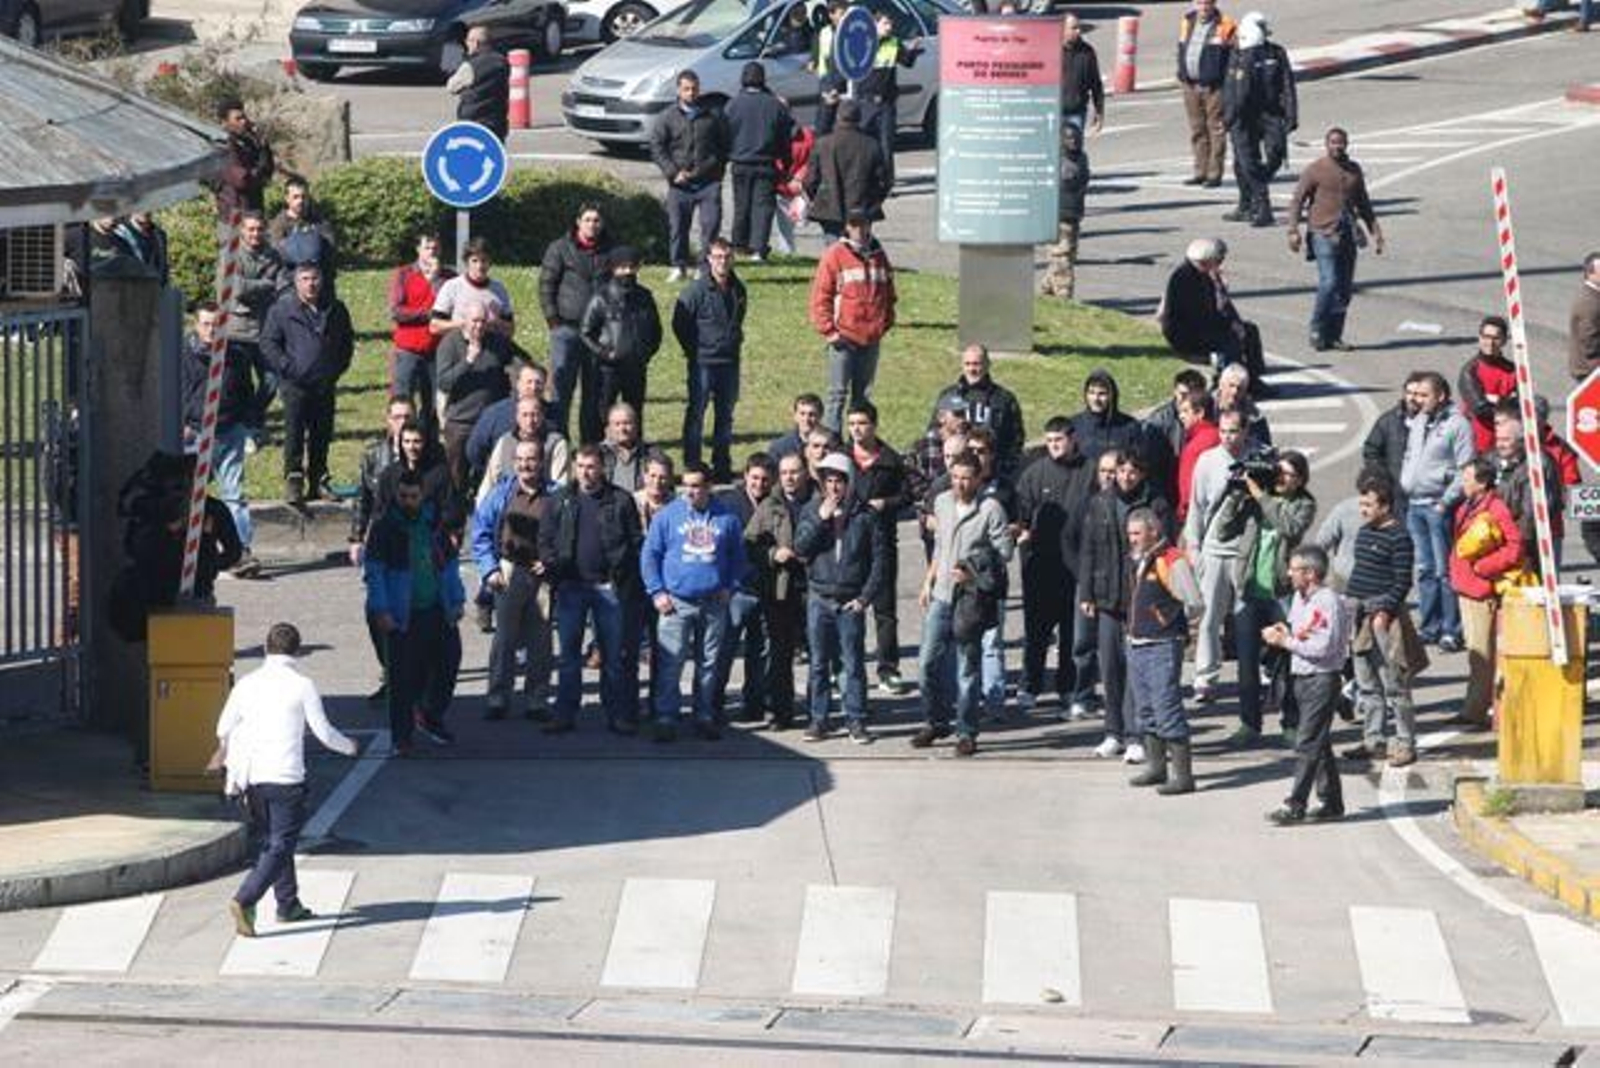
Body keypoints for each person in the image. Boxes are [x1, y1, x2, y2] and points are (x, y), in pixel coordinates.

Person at [217, 622, 358, 938]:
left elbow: (223, 726)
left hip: (253, 776)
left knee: (273, 842)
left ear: (266, 648)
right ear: (297, 651)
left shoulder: (247, 684)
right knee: (281, 843)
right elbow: (323, 732)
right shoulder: (302, 685)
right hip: (285, 776)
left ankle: (288, 903)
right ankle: (245, 899)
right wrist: (349, 746)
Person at [1207, 449, 1316, 744]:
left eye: (1290, 474)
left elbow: (1288, 527)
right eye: (1279, 472)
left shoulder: (1303, 504)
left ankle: (1291, 724)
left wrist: (1260, 496)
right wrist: (1235, 496)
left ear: (1301, 479)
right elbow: (1222, 531)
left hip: (1281, 592)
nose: (1282, 478)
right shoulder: (1256, 498)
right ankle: (1249, 724)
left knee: (1289, 660)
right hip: (1249, 590)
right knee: (1246, 662)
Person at [913, 450, 1013, 756]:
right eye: (955, 477)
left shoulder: (990, 509)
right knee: (926, 663)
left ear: (978, 478)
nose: (959, 484)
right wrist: (928, 580)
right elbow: (941, 544)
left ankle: (967, 731)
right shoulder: (942, 502)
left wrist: (972, 568)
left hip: (970, 601)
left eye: (966, 478)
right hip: (941, 594)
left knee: (967, 669)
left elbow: (1004, 552)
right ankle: (935, 720)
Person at [541, 444, 646, 734]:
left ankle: (616, 714)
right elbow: (546, 540)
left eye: (591, 466)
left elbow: (635, 542)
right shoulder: (560, 500)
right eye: (581, 466)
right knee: (568, 657)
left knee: (613, 657)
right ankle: (565, 713)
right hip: (571, 588)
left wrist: (624, 575)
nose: (586, 472)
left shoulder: (621, 501)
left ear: (602, 468)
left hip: (608, 588)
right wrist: (553, 565)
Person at [640, 462, 747, 742]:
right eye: (685, 485)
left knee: (708, 664)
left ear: (709, 487)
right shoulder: (668, 516)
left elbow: (738, 557)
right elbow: (649, 556)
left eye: (697, 485)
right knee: (670, 662)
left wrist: (731, 586)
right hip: (676, 602)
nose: (690, 491)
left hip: (714, 602)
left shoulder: (727, 518)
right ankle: (666, 716)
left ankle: (704, 715)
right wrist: (657, 592)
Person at [365, 469, 467, 755]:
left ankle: (430, 715)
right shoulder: (385, 527)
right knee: (401, 678)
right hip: (402, 613)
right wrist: (381, 609)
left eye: (413, 496)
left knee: (449, 661)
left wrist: (456, 599)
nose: (408, 501)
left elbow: (448, 565)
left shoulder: (433, 523)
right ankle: (402, 737)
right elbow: (374, 572)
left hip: (436, 607)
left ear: (422, 495)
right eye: (403, 496)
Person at [1081, 452, 1175, 760]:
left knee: (1136, 669)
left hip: (1139, 599)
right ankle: (1113, 732)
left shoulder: (1156, 504)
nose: (1125, 476)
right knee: (1110, 669)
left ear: (1142, 473)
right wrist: (1087, 593)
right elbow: (1089, 550)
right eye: (1121, 471)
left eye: (1132, 471)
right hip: (1107, 598)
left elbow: (1166, 548)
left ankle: (1137, 735)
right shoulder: (1100, 502)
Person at [795, 452, 889, 743]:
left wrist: (864, 598)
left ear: (849, 483)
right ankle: (819, 719)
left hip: (850, 601)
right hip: (820, 597)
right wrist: (821, 520)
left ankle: (856, 720)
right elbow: (801, 548)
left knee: (853, 664)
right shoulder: (812, 510)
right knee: (819, 664)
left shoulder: (865, 515)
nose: (833, 488)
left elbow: (879, 560)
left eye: (839, 481)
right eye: (828, 481)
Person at [1262, 545, 1352, 824]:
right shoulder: (1300, 599)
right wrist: (1284, 632)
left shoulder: (1327, 601)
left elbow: (1324, 646)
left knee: (1307, 743)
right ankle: (1332, 802)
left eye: (1295, 569)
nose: (1289, 574)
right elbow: (1302, 632)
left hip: (1321, 679)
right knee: (1319, 741)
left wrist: (1285, 642)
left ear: (1311, 573)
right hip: (1301, 677)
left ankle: (1295, 804)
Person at [1014, 418, 1097, 716]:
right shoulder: (1034, 474)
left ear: (1073, 438)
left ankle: (1067, 687)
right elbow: (1020, 517)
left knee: (1071, 633)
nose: (1054, 446)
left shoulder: (1090, 472)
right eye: (1049, 441)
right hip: (1041, 566)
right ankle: (1029, 685)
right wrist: (1023, 543)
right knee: (1036, 632)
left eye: (1059, 440)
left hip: (1076, 567)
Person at [471, 438, 556, 723]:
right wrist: (489, 569)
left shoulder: (557, 495)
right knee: (504, 640)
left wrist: (553, 562)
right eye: (519, 459)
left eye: (531, 459)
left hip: (542, 578)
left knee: (541, 640)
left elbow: (567, 536)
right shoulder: (501, 493)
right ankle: (497, 696)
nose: (524, 465)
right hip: (509, 572)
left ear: (542, 462)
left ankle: (537, 699)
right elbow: (480, 532)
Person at [1340, 472, 1421, 768]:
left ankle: (1405, 743)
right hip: (1359, 617)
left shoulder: (1399, 537)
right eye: (1362, 503)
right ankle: (1373, 739)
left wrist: (1384, 612)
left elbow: (1402, 583)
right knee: (1366, 684)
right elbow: (1359, 573)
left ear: (1385, 506)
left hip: (1384, 620)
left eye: (1369, 504)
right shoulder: (1365, 532)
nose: (1363, 510)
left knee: (1395, 685)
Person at [1124, 506, 1205, 794]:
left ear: (1153, 531)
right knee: (1145, 708)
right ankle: (1157, 768)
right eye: (1130, 533)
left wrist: (1171, 623)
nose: (1131, 538)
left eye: (1136, 533)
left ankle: (1183, 777)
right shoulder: (1138, 559)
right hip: (1137, 642)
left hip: (1162, 644)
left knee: (1166, 706)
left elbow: (1194, 602)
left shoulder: (1171, 560)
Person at [259, 262, 353, 506]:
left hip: (324, 383)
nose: (310, 284)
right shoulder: (282, 310)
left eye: (314, 278)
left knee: (322, 434)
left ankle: (319, 479)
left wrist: (335, 369)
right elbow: (268, 343)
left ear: (321, 280)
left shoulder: (336, 309)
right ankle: (294, 479)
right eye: (304, 279)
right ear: (296, 282)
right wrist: (287, 367)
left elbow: (346, 343)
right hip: (295, 384)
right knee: (294, 433)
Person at [180, 302, 261, 579]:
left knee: (234, 494)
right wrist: (182, 423)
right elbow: (173, 390)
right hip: (194, 433)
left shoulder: (235, 357)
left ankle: (241, 552)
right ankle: (185, 552)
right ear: (195, 325)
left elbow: (246, 392)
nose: (211, 330)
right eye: (206, 324)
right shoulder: (183, 355)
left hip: (228, 431)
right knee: (190, 495)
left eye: (216, 325)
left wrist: (246, 425)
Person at [1287, 127, 1385, 352]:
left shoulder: (1354, 170)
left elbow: (1364, 204)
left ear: (1347, 144)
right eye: (1333, 142)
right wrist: (1293, 230)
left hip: (1348, 235)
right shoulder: (1316, 169)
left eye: (1341, 142)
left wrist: (1376, 232)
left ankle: (1334, 335)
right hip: (1322, 233)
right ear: (1326, 144)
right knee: (1329, 282)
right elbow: (1297, 201)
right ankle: (1317, 328)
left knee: (1344, 289)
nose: (1337, 146)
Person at [1399, 372, 1474, 649]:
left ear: (1440, 396)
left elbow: (1466, 467)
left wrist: (1446, 500)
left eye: (1423, 394)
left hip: (1438, 506)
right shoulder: (1418, 422)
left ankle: (1451, 629)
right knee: (1425, 570)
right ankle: (1429, 627)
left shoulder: (1458, 425)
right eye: (1415, 394)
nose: (1417, 399)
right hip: (1415, 505)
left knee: (1445, 571)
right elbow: (1409, 456)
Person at [808, 211, 897, 436]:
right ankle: (831, 442)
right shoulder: (835, 255)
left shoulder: (879, 255)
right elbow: (820, 296)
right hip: (843, 338)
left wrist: (883, 324)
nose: (859, 230)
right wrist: (830, 331)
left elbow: (889, 293)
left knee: (862, 396)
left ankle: (857, 443)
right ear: (847, 227)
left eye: (863, 225)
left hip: (871, 338)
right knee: (837, 394)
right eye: (854, 225)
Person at [844, 401, 912, 696]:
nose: (856, 430)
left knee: (885, 611)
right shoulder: (841, 458)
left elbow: (908, 495)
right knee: (848, 607)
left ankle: (888, 669)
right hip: (849, 542)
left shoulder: (890, 460)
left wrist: (888, 504)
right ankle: (845, 668)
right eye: (852, 424)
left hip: (882, 541)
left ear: (874, 425)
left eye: (861, 423)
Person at [1450, 457, 1523, 729]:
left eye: (1467, 478)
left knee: (1481, 653)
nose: (1463, 482)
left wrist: (1484, 567)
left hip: (1479, 588)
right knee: (1475, 650)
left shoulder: (1496, 508)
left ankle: (1476, 710)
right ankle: (1475, 706)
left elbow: (1514, 547)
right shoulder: (1471, 504)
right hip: (1466, 585)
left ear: (1481, 483)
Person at [1182, 408, 1250, 702]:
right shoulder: (1207, 461)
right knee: (1209, 616)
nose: (1227, 437)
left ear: (1245, 431)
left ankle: (1254, 672)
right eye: (1223, 431)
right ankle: (1205, 677)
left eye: (1233, 431)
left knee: (1247, 616)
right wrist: (1193, 547)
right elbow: (1196, 508)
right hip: (1213, 549)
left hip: (1246, 551)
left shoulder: (1257, 460)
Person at [349, 398, 414, 698]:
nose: (401, 423)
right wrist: (356, 537)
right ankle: (390, 669)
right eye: (397, 417)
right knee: (376, 610)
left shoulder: (425, 456)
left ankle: (410, 672)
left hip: (414, 543)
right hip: (379, 542)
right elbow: (362, 499)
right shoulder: (374, 455)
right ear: (387, 420)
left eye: (407, 417)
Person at [673, 239, 747, 480]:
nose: (722, 261)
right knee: (697, 413)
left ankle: (721, 462)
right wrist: (694, 350)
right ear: (709, 259)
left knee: (725, 415)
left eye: (726, 256)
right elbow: (679, 323)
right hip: (703, 361)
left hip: (729, 361)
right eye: (717, 257)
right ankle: (692, 462)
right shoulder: (695, 291)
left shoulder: (739, 289)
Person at [749, 450, 812, 731]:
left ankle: (818, 712)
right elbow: (750, 543)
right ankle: (781, 712)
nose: (789, 478)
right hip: (781, 589)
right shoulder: (769, 506)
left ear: (805, 473)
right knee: (780, 654)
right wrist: (774, 553)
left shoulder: (817, 501)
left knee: (821, 654)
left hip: (814, 586)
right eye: (784, 473)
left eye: (794, 472)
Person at [541, 204, 615, 443]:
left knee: (594, 392)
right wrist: (553, 320)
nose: (592, 225)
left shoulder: (610, 249)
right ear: (578, 222)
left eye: (596, 220)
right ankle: (558, 441)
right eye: (587, 220)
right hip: (566, 328)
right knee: (561, 390)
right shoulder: (560, 249)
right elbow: (546, 285)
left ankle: (589, 444)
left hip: (597, 332)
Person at [651, 70, 729, 283]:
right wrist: (672, 173)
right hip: (680, 185)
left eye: (694, 88)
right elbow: (657, 147)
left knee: (710, 226)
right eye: (686, 89)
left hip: (708, 182)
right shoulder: (667, 117)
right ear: (679, 90)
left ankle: (705, 268)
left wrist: (717, 171)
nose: (691, 93)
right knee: (678, 227)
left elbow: (724, 145)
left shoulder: (712, 116)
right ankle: (679, 265)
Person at [1220, 11, 1296, 227]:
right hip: (1242, 117)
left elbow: (1287, 85)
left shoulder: (1276, 52)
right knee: (1244, 161)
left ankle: (1256, 189)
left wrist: (1291, 116)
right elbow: (1233, 91)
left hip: (1270, 113)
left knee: (1276, 154)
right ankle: (1257, 204)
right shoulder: (1238, 54)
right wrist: (1228, 119)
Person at [716, 455, 775, 722]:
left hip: (766, 588)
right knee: (724, 649)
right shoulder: (727, 503)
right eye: (754, 478)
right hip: (735, 590)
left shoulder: (776, 504)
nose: (759, 484)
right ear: (745, 475)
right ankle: (713, 704)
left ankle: (754, 703)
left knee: (760, 651)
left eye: (764, 479)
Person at [579, 246, 661, 436]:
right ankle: (599, 450)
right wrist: (605, 353)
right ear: (613, 269)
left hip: (636, 366)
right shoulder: (601, 297)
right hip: (608, 368)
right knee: (602, 412)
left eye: (631, 267)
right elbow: (585, 332)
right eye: (622, 268)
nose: (627, 272)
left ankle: (635, 452)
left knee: (635, 411)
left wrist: (646, 353)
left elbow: (656, 330)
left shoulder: (645, 297)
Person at [435, 305, 514, 494]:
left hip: (490, 421)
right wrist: (468, 361)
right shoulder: (450, 343)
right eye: (474, 321)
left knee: (491, 476)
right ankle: (457, 517)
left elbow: (518, 362)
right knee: (456, 478)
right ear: (464, 320)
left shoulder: (497, 343)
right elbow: (444, 382)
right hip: (460, 421)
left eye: (483, 321)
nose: (478, 326)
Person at [723, 62, 793, 263]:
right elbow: (784, 139)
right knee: (762, 207)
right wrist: (786, 165)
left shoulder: (733, 105)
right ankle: (758, 249)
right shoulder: (774, 105)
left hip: (740, 163)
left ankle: (739, 244)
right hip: (766, 163)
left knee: (741, 205)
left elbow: (725, 134)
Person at [388, 232, 454, 441]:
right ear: (418, 250)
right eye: (427, 247)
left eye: (435, 248)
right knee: (402, 402)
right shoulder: (404, 274)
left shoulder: (449, 278)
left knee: (434, 404)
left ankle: (428, 445)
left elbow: (451, 310)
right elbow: (397, 311)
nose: (431, 252)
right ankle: (398, 444)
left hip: (437, 350)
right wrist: (428, 314)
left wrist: (434, 281)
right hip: (408, 350)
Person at [927, 345, 1025, 479]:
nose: (972, 369)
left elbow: (1016, 439)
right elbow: (934, 432)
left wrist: (1005, 469)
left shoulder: (1004, 399)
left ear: (988, 364)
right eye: (967, 364)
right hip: (954, 474)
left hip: (992, 473)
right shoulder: (947, 396)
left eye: (976, 364)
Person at [1159, 237, 1250, 372]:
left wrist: (1234, 322)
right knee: (1230, 339)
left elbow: (1217, 309)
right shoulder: (1184, 278)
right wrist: (1229, 325)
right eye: (1218, 260)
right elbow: (1200, 315)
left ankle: (1253, 373)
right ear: (1206, 261)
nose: (1220, 264)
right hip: (1186, 335)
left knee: (1250, 330)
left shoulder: (1203, 275)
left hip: (1201, 327)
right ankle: (1229, 376)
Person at [803, 101, 889, 242]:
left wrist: (813, 198)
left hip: (829, 206)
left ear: (838, 117)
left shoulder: (823, 143)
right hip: (861, 204)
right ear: (859, 118)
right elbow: (883, 180)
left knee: (834, 248)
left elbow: (811, 179)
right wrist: (875, 200)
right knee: (858, 246)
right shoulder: (871, 144)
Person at [856, 10, 922, 186]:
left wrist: (913, 51)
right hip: (866, 101)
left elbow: (906, 62)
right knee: (865, 145)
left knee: (886, 145)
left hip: (886, 103)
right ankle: (866, 180)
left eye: (890, 24)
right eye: (885, 23)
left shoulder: (894, 43)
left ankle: (886, 182)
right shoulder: (864, 43)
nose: (889, 27)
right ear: (874, 25)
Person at [1176, 0, 1237, 188]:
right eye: (1199, 3)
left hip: (1214, 87)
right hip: (1190, 85)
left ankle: (1214, 174)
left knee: (1215, 129)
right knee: (1197, 130)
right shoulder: (1187, 21)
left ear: (1213, 4)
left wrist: (1226, 83)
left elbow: (1234, 57)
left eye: (1207, 3)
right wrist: (1182, 74)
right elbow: (1181, 49)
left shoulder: (1226, 24)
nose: (1203, 7)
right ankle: (1200, 171)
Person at [1069, 368, 1165, 475]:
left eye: (1102, 394)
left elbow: (1139, 465)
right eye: (1091, 392)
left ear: (1111, 396)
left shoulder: (1130, 426)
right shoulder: (1074, 424)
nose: (1096, 399)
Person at [468, 362, 551, 485]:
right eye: (529, 382)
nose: (533, 387)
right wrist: (489, 472)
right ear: (518, 384)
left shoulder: (554, 415)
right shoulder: (496, 413)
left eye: (538, 382)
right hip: (502, 484)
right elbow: (474, 449)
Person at [478, 394, 571, 502]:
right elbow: (489, 481)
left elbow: (560, 486)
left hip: (543, 503)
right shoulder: (505, 441)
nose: (530, 421)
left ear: (542, 416)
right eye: (525, 415)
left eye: (534, 415)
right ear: (517, 417)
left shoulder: (556, 443)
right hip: (506, 503)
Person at [1040, 123, 1090, 300]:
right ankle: (1063, 297)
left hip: (1074, 217)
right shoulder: (1053, 160)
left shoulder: (1082, 158)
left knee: (1066, 257)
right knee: (1062, 260)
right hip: (1057, 217)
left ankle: (1045, 291)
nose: (1074, 141)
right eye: (1069, 138)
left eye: (1077, 137)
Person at [432, 238, 515, 338]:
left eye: (484, 260)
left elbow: (510, 330)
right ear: (467, 263)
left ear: (490, 262)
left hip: (492, 347)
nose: (479, 266)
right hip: (460, 346)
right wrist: (463, 324)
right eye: (474, 261)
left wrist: (495, 322)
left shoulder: (499, 289)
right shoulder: (452, 287)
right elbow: (434, 327)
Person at [1457, 315, 1517, 452]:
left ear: (1504, 340)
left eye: (1495, 338)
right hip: (1476, 445)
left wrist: (1497, 400)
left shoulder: (1513, 370)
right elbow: (1480, 409)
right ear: (1479, 338)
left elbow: (1522, 404)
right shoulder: (1470, 371)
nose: (1490, 342)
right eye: (1486, 337)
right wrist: (1506, 402)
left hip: (1508, 444)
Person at [268, 177, 338, 293]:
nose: (300, 201)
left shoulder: (320, 222)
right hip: (290, 284)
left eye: (303, 197)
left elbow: (330, 250)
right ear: (287, 199)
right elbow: (275, 255)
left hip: (319, 281)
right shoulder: (278, 225)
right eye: (295, 197)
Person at [214, 97, 275, 222]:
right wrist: (258, 173)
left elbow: (268, 171)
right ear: (224, 122)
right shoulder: (223, 146)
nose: (244, 121)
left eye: (244, 117)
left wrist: (263, 145)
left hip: (254, 211)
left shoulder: (249, 141)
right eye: (238, 119)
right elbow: (241, 180)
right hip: (234, 216)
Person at [1362, 373, 1424, 492]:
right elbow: (1371, 451)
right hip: (1395, 492)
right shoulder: (1388, 421)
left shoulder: (1438, 424)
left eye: (1417, 394)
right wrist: (1383, 479)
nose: (1412, 398)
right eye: (1409, 393)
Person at [447, 25, 510, 142]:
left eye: (468, 41)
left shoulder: (471, 66)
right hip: (497, 123)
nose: (466, 44)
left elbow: (451, 87)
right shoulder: (502, 61)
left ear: (475, 43)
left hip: (473, 124)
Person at [1175, 393, 1220, 523]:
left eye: (1185, 411)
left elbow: (1188, 490)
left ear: (1200, 412)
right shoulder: (1219, 435)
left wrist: (1183, 514)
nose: (1181, 416)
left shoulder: (1196, 446)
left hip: (1197, 517)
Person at [1059, 13, 1106, 134]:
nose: (1078, 31)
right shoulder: (1051, 50)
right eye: (1074, 28)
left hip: (1077, 112)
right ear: (1062, 29)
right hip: (1053, 113)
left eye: (1079, 27)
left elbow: (1095, 83)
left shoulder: (1087, 51)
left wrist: (1099, 111)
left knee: (1074, 150)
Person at [810, 0, 848, 136]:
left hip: (845, 90)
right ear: (831, 15)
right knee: (822, 130)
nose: (845, 17)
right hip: (828, 89)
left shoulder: (852, 32)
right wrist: (827, 89)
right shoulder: (824, 33)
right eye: (842, 14)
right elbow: (821, 62)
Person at [599, 402, 655, 493]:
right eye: (617, 424)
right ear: (608, 429)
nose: (622, 429)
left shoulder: (651, 453)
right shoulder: (598, 454)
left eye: (627, 423)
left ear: (637, 426)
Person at [1568, 251, 1600, 379]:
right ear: (1590, 273)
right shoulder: (1588, 302)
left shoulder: (1594, 295)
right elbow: (1590, 343)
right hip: (1589, 371)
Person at [769, 393, 826, 460]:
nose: (806, 419)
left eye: (811, 415)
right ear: (795, 416)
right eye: (802, 414)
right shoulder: (780, 448)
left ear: (820, 416)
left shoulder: (831, 444)